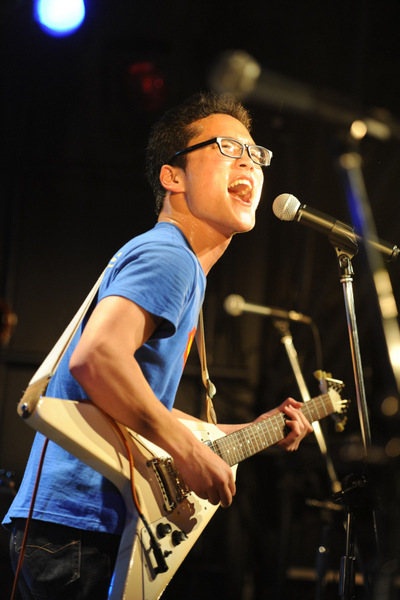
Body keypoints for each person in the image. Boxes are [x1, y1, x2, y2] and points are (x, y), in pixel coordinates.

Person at [3, 92, 313, 599]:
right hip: (81, 529)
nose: (249, 163)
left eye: (256, 154)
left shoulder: (177, 262)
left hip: (71, 530)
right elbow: (97, 359)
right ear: (174, 177)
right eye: (228, 148)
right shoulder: (172, 256)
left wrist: (247, 432)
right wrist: (187, 451)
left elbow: (134, 406)